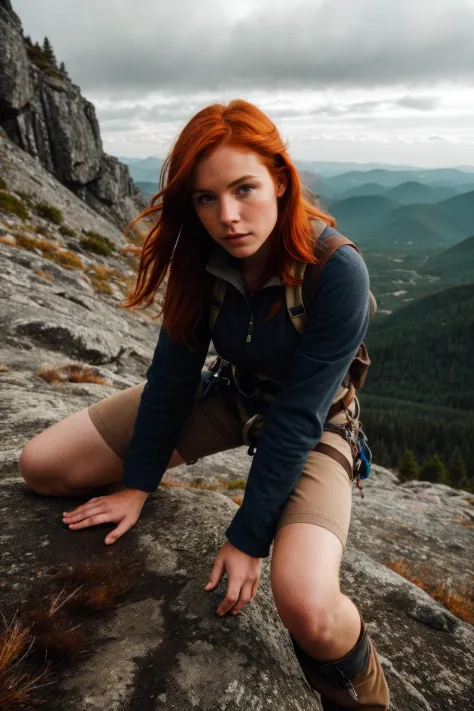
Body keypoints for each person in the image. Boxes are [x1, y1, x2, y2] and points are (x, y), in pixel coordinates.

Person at [19, 99, 390, 709]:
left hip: (317, 419)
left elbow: (299, 415)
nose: (229, 216)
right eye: (205, 198)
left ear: (279, 177)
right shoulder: (200, 257)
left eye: (244, 188)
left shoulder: (336, 270)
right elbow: (171, 376)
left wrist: (248, 539)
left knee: (307, 604)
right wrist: (137, 484)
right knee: (44, 465)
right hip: (228, 392)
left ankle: (365, 698)